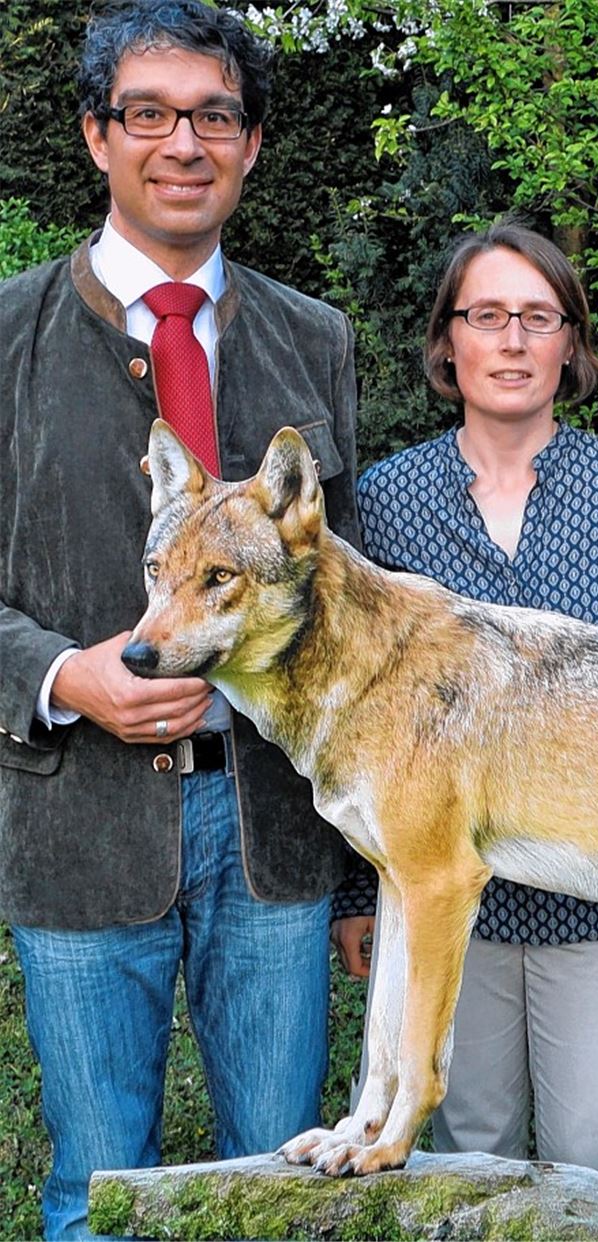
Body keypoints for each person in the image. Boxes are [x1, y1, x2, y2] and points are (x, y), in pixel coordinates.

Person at [0, 3, 373, 1236]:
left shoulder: (314, 339)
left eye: (214, 115)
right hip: (78, 816)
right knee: (96, 1192)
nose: (183, 143)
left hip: (274, 830)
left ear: (253, 143)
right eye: (147, 114)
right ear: (98, 136)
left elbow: (343, 590)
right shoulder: (6, 335)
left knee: (277, 1187)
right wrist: (63, 674)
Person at [343, 223, 598, 1171]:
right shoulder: (387, 501)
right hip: (448, 916)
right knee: (465, 1162)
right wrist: (358, 893)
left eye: (537, 318)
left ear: (570, 344)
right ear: (446, 341)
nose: (511, 340)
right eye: (487, 316)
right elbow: (353, 712)